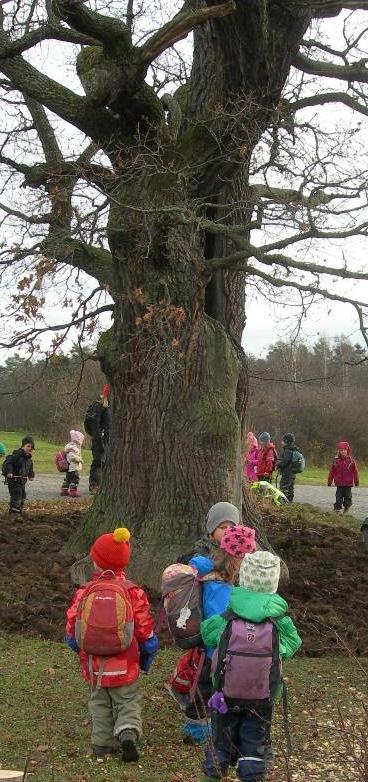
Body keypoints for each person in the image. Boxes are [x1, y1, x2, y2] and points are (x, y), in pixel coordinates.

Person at [200, 550, 302, 782]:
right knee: (254, 746)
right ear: (273, 584)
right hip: (262, 698)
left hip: (225, 697)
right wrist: (275, 653)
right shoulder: (279, 619)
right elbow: (293, 643)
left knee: (220, 746)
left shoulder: (229, 613)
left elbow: (207, 633)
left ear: (243, 578)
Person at [65, 526, 158, 762]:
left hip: (94, 665)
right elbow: (144, 628)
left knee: (99, 703)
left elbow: (72, 627)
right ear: (124, 564)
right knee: (127, 700)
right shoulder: (133, 592)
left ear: (95, 562)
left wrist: (80, 649)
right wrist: (147, 650)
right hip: (125, 664)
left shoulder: (84, 591)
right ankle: (127, 732)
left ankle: (101, 744)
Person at [182, 524, 256, 746]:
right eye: (247, 558)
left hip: (217, 651)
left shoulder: (219, 579)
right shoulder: (219, 587)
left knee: (207, 690)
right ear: (237, 559)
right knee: (207, 690)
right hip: (216, 652)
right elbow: (218, 625)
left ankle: (204, 728)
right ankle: (196, 731)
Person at [85, 385, 110, 494]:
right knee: (98, 462)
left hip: (109, 440)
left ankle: (104, 485)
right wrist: (99, 440)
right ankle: (94, 485)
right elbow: (95, 425)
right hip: (99, 440)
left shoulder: (112, 407)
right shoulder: (99, 407)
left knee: (106, 463)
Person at [2, 435, 35, 515]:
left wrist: (31, 475)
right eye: (28, 446)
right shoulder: (16, 456)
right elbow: (8, 464)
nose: (30, 448)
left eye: (31, 447)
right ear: (23, 446)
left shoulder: (29, 460)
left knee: (23, 496)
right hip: (14, 481)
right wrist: (9, 472)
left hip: (22, 481)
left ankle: (18, 510)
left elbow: (30, 469)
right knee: (17, 495)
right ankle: (14, 513)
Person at [328, 440, 359, 513]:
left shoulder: (351, 461)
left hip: (348, 484)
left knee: (348, 497)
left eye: (344, 450)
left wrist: (356, 481)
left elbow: (355, 472)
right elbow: (331, 472)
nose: (343, 452)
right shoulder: (335, 461)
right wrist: (329, 481)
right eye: (341, 450)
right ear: (338, 451)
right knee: (338, 498)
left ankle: (346, 508)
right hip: (339, 483)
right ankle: (337, 509)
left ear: (347, 450)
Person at [60, 430, 84, 498]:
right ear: (78, 441)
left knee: (67, 479)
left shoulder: (68, 446)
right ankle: (73, 491)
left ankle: (64, 490)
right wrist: (79, 460)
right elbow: (72, 456)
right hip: (73, 467)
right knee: (75, 479)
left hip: (68, 467)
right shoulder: (74, 448)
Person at [276, 432, 298, 502]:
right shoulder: (293, 449)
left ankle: (283, 504)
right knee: (290, 490)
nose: (281, 442)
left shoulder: (287, 451)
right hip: (292, 474)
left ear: (287, 441)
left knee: (283, 489)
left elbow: (284, 462)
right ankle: (290, 503)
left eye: (282, 441)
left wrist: (278, 464)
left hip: (287, 474)